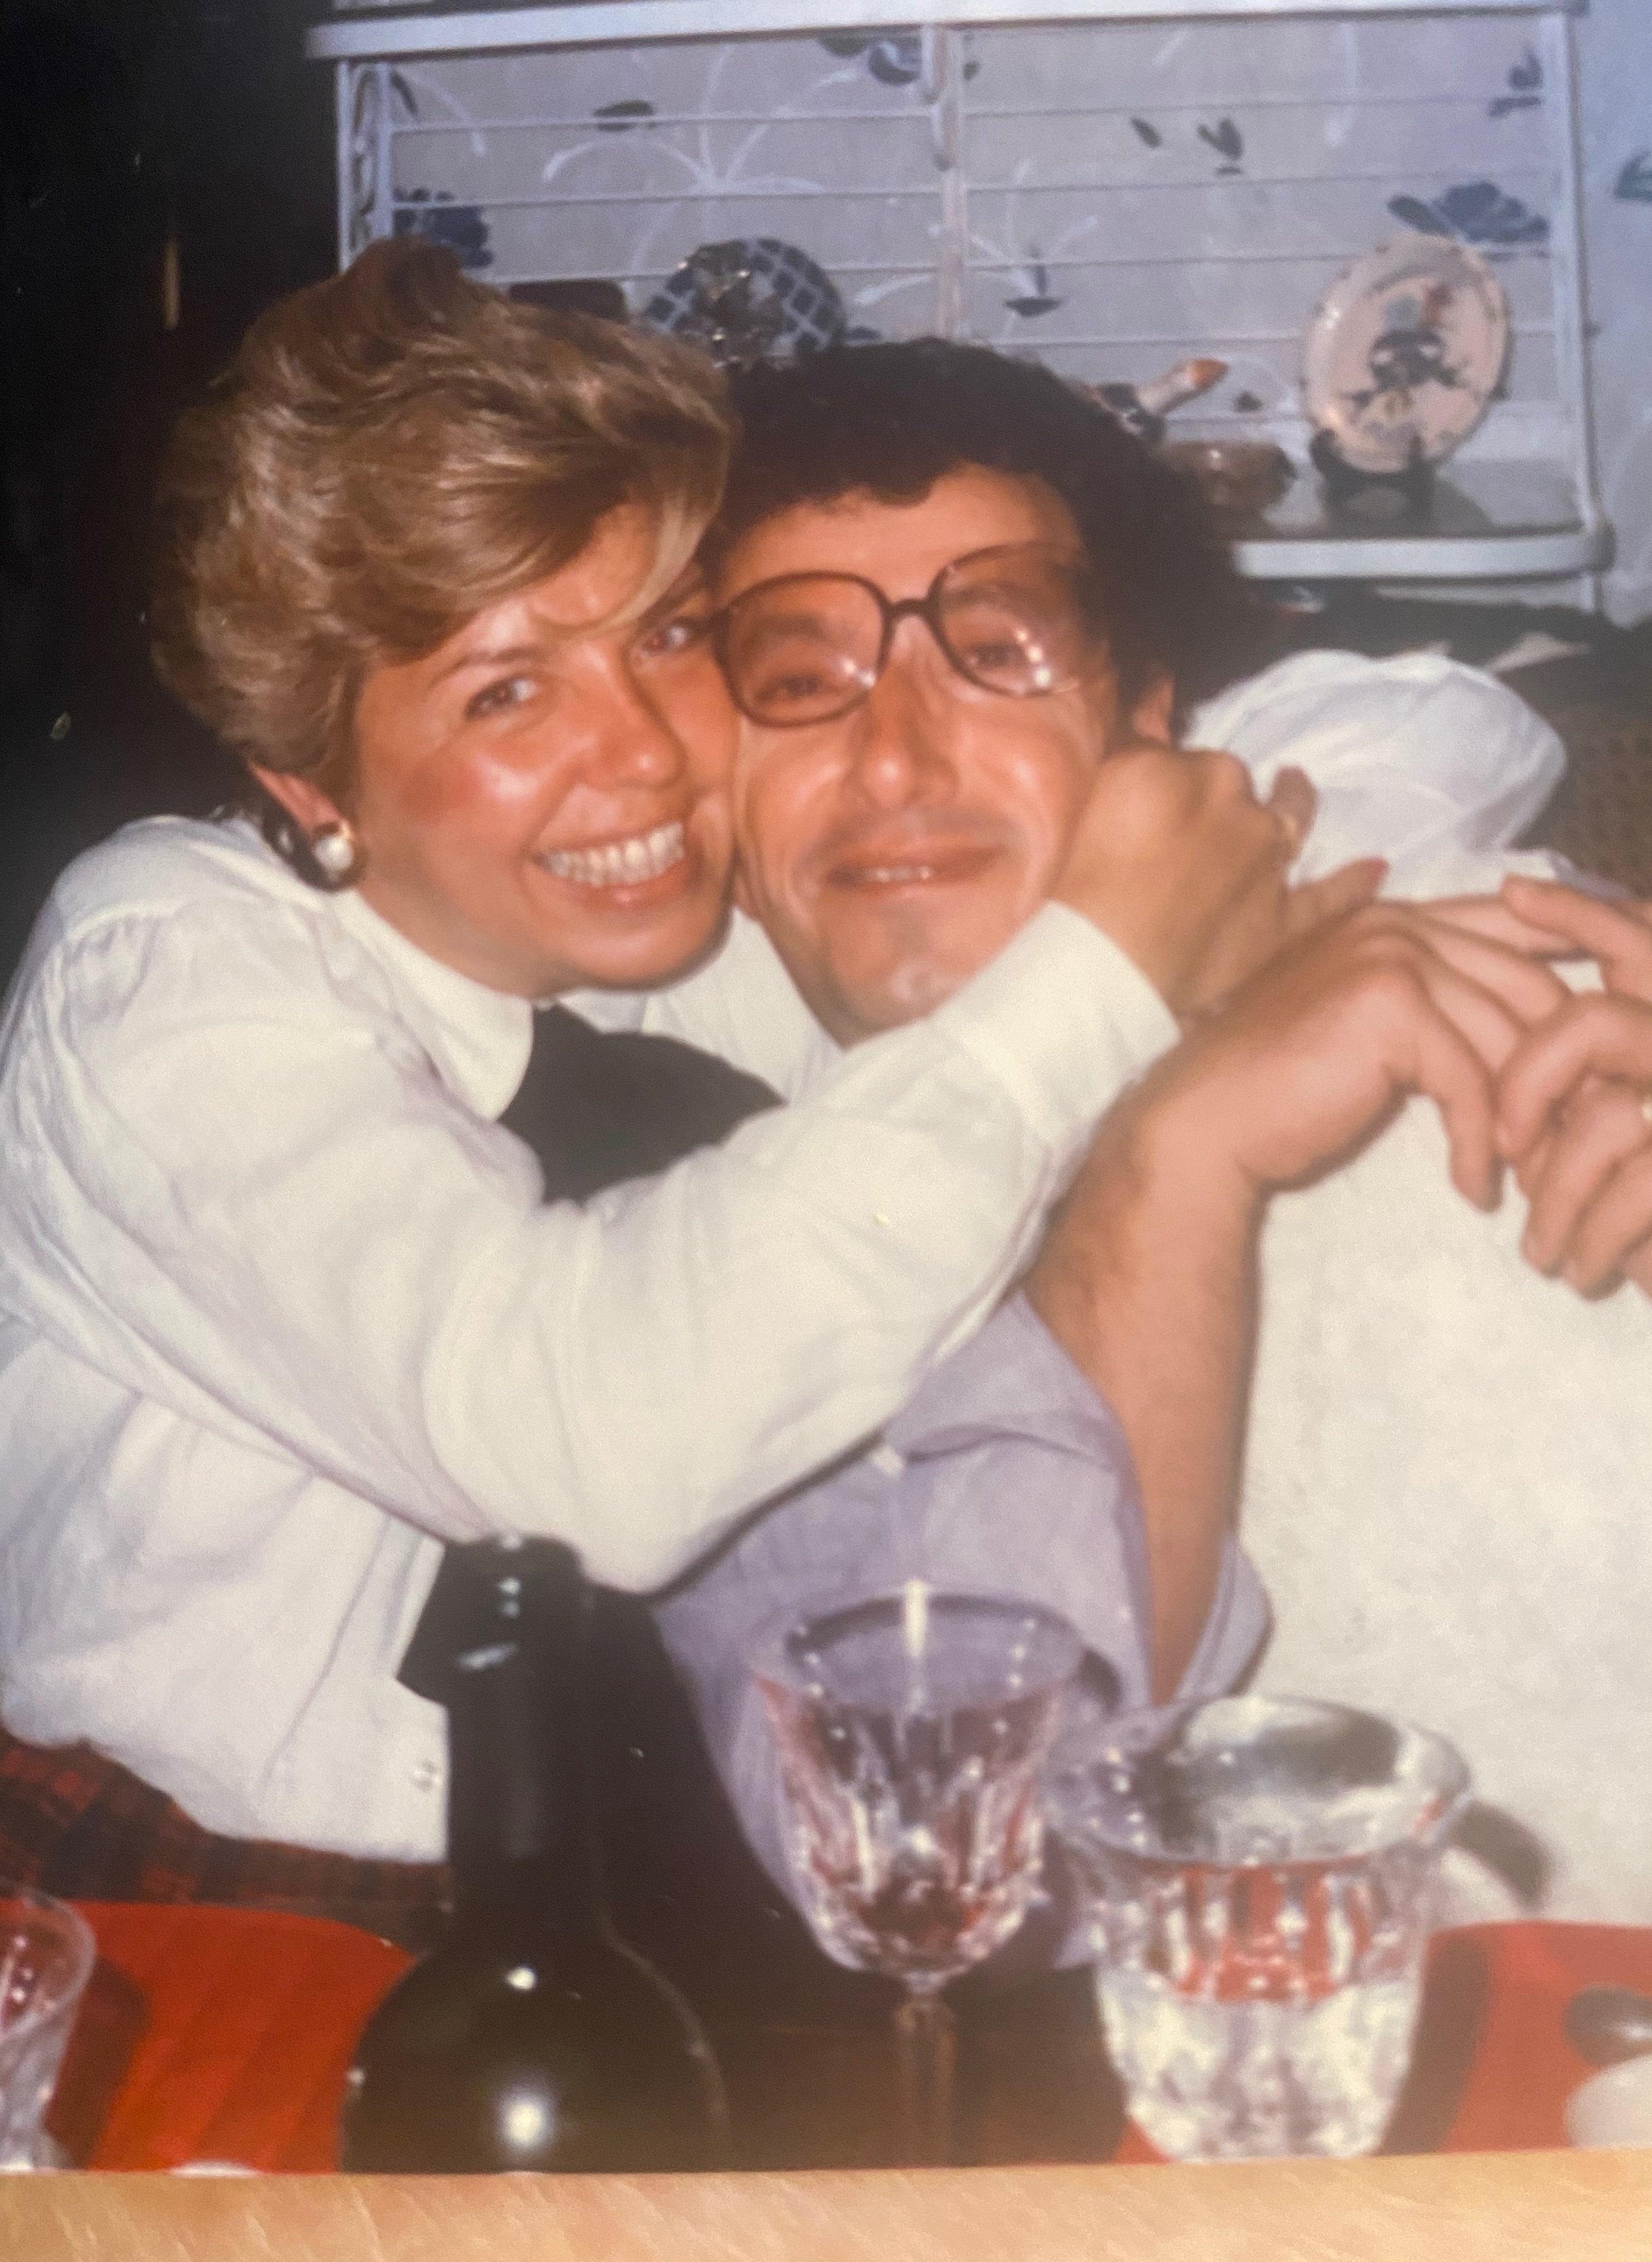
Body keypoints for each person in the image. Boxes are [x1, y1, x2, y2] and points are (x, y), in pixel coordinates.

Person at [0, 248, 1362, 1905]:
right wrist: (1102, 974)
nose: (643, 749)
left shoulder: (672, 939)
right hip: (154, 1904)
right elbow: (587, 1446)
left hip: (577, 1888)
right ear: (309, 780)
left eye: (664, 636)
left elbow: (1361, 726)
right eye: (509, 689)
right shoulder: (164, 975)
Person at [644, 339, 1652, 1931]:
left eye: (995, 651)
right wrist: (1173, 1154)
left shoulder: (1492, 957)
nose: (895, 756)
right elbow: (938, 1875)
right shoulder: (698, 1254)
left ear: (1147, 720)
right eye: (797, 680)